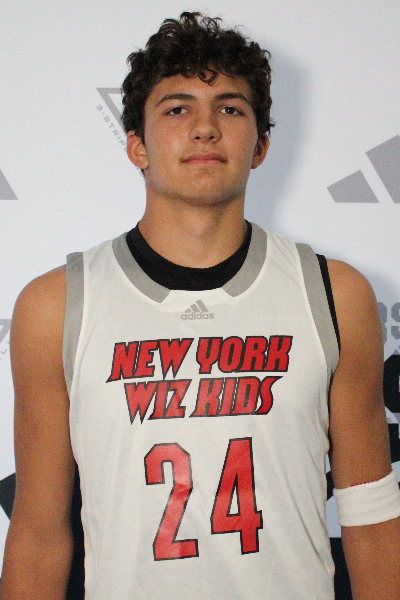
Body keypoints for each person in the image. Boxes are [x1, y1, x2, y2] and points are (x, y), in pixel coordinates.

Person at [1, 11, 400, 600]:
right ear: (136, 144)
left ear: (261, 145)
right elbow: (38, 533)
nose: (206, 128)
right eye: (177, 109)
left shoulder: (333, 293)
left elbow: (370, 516)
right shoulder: (55, 306)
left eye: (231, 109)